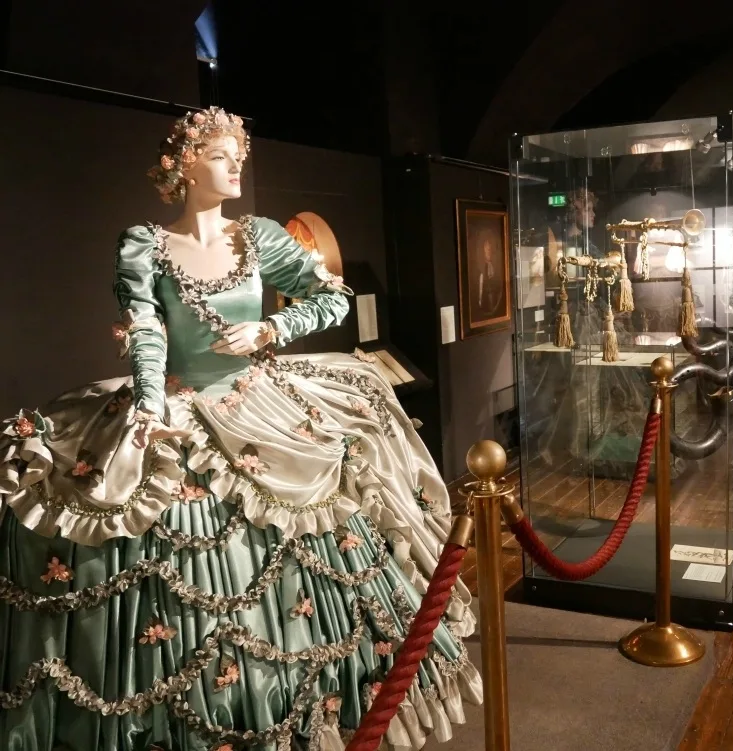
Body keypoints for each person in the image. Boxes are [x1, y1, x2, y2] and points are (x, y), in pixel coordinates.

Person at [0, 107, 480, 750]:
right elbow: (146, 328)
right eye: (222, 156)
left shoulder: (257, 237)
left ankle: (324, 700)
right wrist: (149, 402)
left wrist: (269, 330)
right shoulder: (143, 243)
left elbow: (330, 296)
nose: (235, 166)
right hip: (180, 400)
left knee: (318, 527)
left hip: (261, 401)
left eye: (239, 156)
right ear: (183, 164)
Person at [475, 232, 503, 319]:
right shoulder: (479, 268)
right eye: (487, 246)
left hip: (494, 304)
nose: (489, 249)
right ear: (483, 248)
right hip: (483, 303)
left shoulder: (496, 266)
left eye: (490, 247)